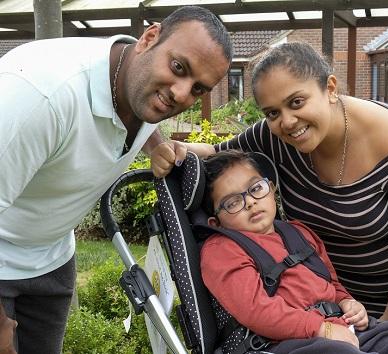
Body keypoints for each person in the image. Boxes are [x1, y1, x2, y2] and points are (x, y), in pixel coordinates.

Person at [151, 42, 388, 348]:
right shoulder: (274, 136)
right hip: (327, 286)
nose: (287, 121)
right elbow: (220, 154)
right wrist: (175, 151)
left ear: (330, 88)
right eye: (272, 112)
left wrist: (377, 330)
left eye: (297, 102)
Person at [0, 5, 231, 354]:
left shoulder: (138, 79)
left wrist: (155, 144)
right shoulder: (40, 98)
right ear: (149, 37)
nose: (182, 94)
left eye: (198, 89)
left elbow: (145, 112)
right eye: (179, 67)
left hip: (52, 257)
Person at [200, 149, 388, 354]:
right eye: (232, 203)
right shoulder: (222, 250)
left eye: (256, 188)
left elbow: (331, 284)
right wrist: (322, 329)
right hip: (284, 342)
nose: (250, 202)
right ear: (216, 222)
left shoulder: (298, 233)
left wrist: (347, 302)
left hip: (341, 327)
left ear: (271, 189)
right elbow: (256, 310)